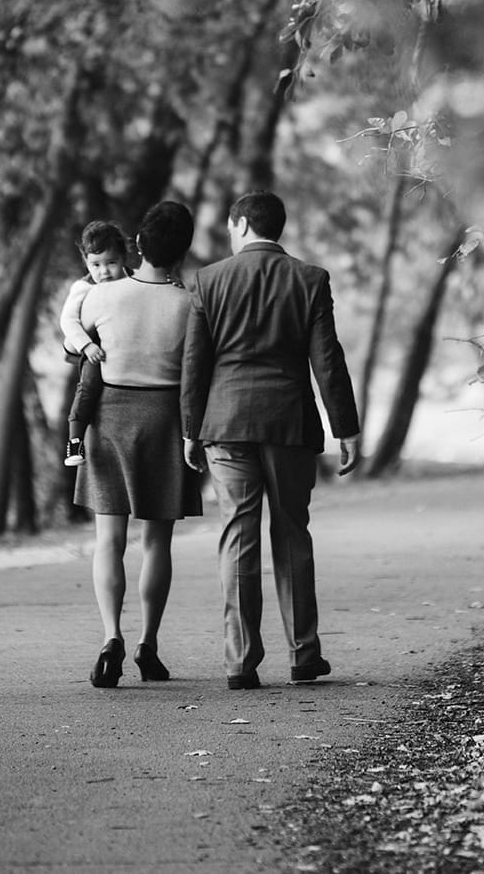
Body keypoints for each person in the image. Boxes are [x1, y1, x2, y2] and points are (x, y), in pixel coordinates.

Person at [180, 189, 360, 690]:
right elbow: (327, 359)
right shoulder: (309, 279)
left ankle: (240, 662)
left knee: (238, 537)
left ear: (239, 225)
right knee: (291, 534)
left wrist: (191, 430)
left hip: (227, 424)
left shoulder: (208, 281)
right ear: (276, 228)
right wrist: (346, 427)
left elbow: (194, 364)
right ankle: (304, 655)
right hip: (288, 425)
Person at [70, 200, 202, 688]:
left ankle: (111, 638)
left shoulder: (98, 297)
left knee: (109, 539)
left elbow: (73, 348)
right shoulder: (189, 304)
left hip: (110, 420)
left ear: (138, 245)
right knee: (157, 542)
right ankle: (148, 644)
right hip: (166, 420)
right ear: (181, 250)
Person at [59, 221, 130, 466]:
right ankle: (75, 440)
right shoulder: (83, 287)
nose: (104, 272)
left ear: (123, 258)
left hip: (126, 345)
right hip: (95, 349)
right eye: (95, 265)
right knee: (89, 385)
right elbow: (68, 320)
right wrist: (86, 346)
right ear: (86, 263)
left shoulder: (132, 281)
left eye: (111, 263)